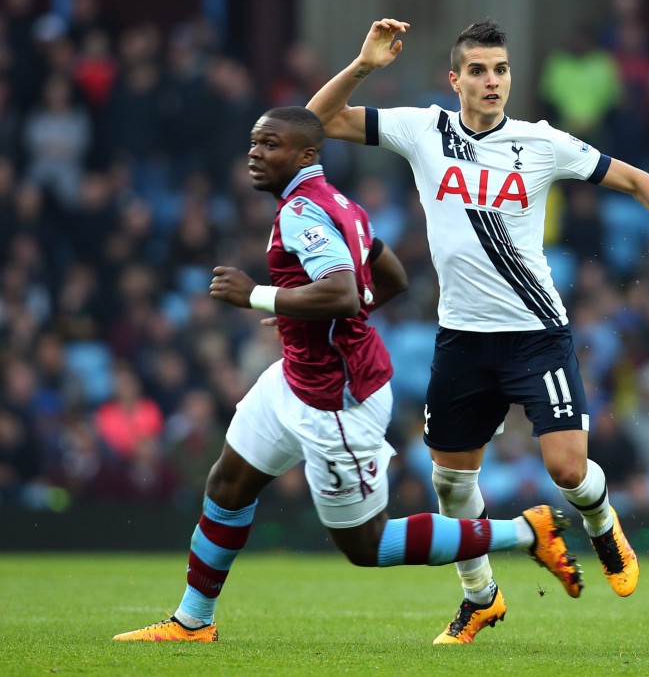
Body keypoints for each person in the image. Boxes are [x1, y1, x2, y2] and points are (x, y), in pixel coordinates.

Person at [306, 19, 649, 644]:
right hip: (462, 338)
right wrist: (362, 65)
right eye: (480, 70)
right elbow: (315, 122)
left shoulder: (540, 143)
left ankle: (600, 521)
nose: (493, 81)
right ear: (454, 78)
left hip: (536, 333)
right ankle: (480, 598)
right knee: (450, 482)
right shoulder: (421, 129)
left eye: (502, 69)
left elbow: (638, 181)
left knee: (567, 470)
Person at [112, 106, 581, 644]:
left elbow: (338, 292)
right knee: (228, 484)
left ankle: (527, 531)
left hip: (336, 399)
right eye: (253, 143)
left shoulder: (302, 212)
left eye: (269, 144)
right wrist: (309, 315)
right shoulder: (340, 205)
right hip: (295, 377)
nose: (255, 153)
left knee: (366, 545)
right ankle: (193, 621)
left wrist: (257, 295)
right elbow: (392, 277)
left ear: (306, 155)